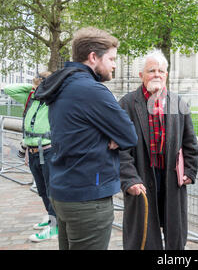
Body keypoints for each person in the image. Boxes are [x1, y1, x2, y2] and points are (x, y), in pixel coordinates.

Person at [34, 27, 138, 250]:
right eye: (111, 58)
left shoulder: (63, 85)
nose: (114, 65)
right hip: (88, 197)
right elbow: (129, 135)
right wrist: (110, 136)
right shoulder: (92, 90)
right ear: (93, 57)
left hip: (63, 191)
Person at [118, 49, 198, 250]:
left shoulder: (178, 103)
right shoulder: (127, 104)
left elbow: (190, 143)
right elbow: (120, 150)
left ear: (167, 75)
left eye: (161, 71)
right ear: (141, 75)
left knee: (175, 236)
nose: (156, 75)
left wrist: (189, 171)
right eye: (151, 70)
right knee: (144, 237)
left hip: (171, 179)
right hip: (142, 179)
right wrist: (129, 179)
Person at [4, 71, 57, 242]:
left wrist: (46, 87)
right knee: (41, 189)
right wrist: (33, 88)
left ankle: (55, 226)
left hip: (48, 150)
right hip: (32, 151)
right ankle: (51, 218)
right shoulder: (31, 97)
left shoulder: (54, 100)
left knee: (51, 190)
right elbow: (8, 89)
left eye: (40, 85)